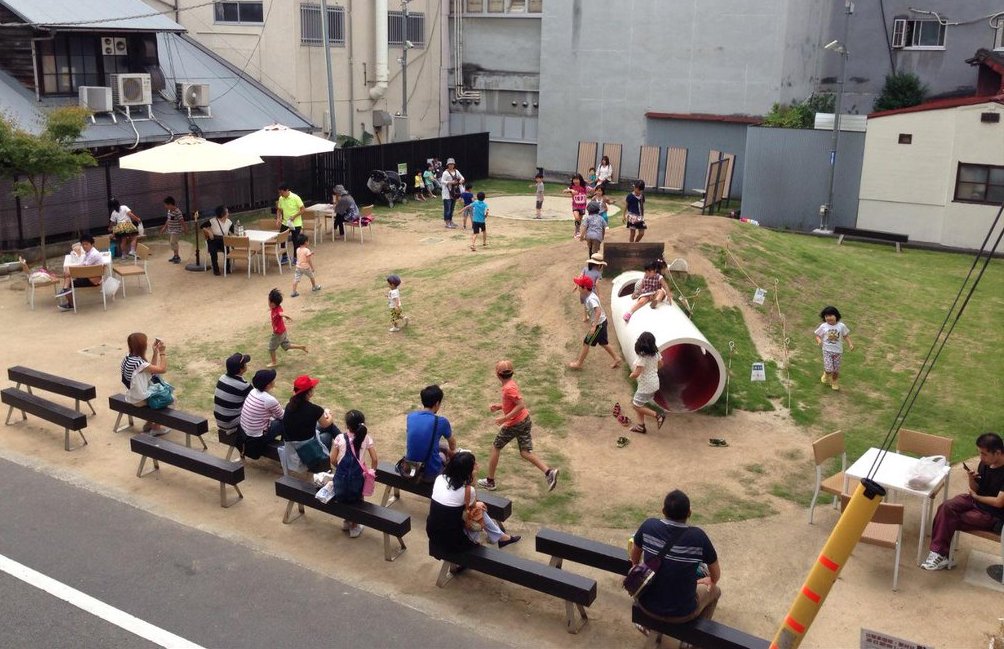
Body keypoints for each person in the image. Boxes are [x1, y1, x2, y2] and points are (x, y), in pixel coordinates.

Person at [631, 489, 721, 638]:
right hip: (682, 613)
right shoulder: (698, 537)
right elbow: (716, 575)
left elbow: (634, 559)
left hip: (645, 605)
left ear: (663, 511)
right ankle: (694, 638)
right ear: (689, 513)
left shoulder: (648, 526)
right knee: (715, 590)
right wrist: (710, 580)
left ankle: (648, 627)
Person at [921, 432, 1004, 571]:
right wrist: (971, 478)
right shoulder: (985, 463)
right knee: (945, 507)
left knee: (952, 518)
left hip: (992, 514)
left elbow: (999, 502)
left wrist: (977, 497)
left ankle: (941, 555)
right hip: (974, 500)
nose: (981, 457)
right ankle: (940, 554)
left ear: (997, 453)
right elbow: (976, 489)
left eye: (984, 454)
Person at [427, 450, 520, 565]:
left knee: (477, 508)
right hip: (453, 541)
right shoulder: (468, 490)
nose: (477, 466)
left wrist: (476, 504)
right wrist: (473, 479)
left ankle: (501, 537)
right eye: (474, 464)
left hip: (433, 532)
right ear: (466, 471)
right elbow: (472, 505)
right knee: (478, 512)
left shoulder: (439, 479)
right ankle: (498, 538)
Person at [478, 360, 559, 492]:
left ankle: (490, 481)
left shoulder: (507, 388)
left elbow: (521, 404)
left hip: (514, 424)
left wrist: (505, 418)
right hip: (525, 420)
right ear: (512, 373)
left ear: (497, 374)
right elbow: (513, 403)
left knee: (495, 447)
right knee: (525, 452)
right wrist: (499, 407)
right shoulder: (511, 385)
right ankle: (549, 472)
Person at [330, 410, 378, 537]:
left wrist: (339, 467)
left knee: (344, 496)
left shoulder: (340, 438)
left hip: (341, 478)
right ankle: (354, 526)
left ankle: (346, 521)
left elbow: (332, 459)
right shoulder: (366, 439)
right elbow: (374, 459)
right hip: (358, 477)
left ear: (347, 425)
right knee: (358, 500)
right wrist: (372, 472)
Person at [282, 375, 339, 473]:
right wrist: (329, 414)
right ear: (308, 393)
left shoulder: (289, 406)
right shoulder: (314, 409)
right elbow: (326, 424)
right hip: (307, 450)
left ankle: (345, 444)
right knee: (328, 433)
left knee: (326, 428)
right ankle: (325, 465)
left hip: (291, 446)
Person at [568, 275, 622, 370]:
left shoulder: (591, 299)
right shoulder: (588, 294)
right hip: (602, 322)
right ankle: (616, 358)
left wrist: (594, 326)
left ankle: (579, 363)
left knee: (586, 342)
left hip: (599, 325)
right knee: (603, 343)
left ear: (584, 288)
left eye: (579, 286)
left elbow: (598, 311)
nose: (578, 288)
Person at [405, 384, 456, 483]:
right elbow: (453, 445)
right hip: (430, 473)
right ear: (437, 403)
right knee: (445, 454)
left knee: (442, 447)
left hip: (411, 468)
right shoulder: (441, 421)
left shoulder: (411, 416)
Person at [120, 332, 169, 435]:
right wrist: (162, 352)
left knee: (157, 392)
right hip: (138, 399)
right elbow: (162, 369)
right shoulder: (138, 363)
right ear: (142, 346)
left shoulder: (128, 358)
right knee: (169, 399)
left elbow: (151, 370)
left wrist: (155, 352)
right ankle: (156, 428)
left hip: (132, 395)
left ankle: (149, 423)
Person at [238, 369, 284, 460]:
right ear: (268, 385)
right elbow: (282, 416)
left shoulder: (252, 392)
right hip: (257, 437)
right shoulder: (269, 400)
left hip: (245, 432)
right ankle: (285, 451)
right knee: (285, 422)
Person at [628, 332, 667, 434]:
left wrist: (631, 375)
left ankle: (658, 416)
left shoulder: (642, 358)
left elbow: (636, 373)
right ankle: (641, 426)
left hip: (646, 386)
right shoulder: (656, 354)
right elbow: (661, 364)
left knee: (635, 405)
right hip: (654, 383)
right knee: (639, 405)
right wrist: (652, 370)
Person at [55, 234, 104, 311]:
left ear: (92, 244)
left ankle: (70, 302)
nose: (84, 246)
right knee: (67, 275)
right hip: (89, 276)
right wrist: (70, 271)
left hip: (93, 280)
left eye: (86, 244)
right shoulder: (89, 252)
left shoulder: (94, 254)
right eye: (83, 244)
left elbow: (83, 267)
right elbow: (82, 265)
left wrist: (70, 271)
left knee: (68, 283)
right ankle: (65, 290)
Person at [814, 305, 854, 391]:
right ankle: (826, 374)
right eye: (826, 316)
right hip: (827, 351)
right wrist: (819, 341)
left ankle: (834, 382)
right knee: (829, 369)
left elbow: (846, 336)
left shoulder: (841, 326)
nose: (828, 318)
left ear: (836, 316)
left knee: (836, 370)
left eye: (831, 315)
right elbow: (817, 335)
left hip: (838, 352)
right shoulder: (823, 326)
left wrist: (850, 344)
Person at [214, 352, 253, 437]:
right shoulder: (244, 386)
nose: (246, 364)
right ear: (241, 369)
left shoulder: (222, 378)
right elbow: (254, 403)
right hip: (231, 423)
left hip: (220, 421)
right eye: (245, 363)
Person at [267, 288, 308, 367]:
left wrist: (286, 316)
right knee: (286, 346)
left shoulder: (278, 311)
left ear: (273, 303)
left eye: (269, 301)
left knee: (271, 348)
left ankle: (274, 362)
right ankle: (301, 347)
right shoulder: (276, 307)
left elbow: (281, 313)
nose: (268, 302)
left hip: (278, 334)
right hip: (283, 331)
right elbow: (279, 311)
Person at [276, 183, 305, 262]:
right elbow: (279, 209)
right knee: (281, 239)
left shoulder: (295, 197)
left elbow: (303, 209)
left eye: (282, 192)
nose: (280, 194)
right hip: (285, 222)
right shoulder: (281, 198)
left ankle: (296, 258)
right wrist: (278, 218)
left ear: (287, 190)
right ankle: (284, 257)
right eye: (279, 193)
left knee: (296, 241)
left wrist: (294, 216)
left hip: (296, 223)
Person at [202, 205, 233, 276]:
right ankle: (216, 270)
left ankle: (227, 268)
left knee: (227, 251)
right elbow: (202, 226)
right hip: (213, 240)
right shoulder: (212, 221)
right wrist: (209, 231)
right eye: (227, 212)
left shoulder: (229, 222)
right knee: (213, 251)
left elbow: (234, 231)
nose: (228, 213)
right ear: (223, 214)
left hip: (223, 240)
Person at [159, 196, 187, 264]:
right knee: (173, 243)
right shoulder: (169, 211)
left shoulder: (177, 211)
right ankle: (175, 256)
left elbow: (181, 221)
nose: (165, 206)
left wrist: (185, 228)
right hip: (171, 230)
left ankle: (177, 257)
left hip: (176, 230)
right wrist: (164, 228)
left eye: (166, 205)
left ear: (170, 204)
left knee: (173, 242)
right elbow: (168, 220)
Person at [440, 158, 465, 228]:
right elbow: (442, 181)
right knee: (447, 208)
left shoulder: (456, 171)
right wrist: (450, 182)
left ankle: (451, 220)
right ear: (447, 165)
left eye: (452, 164)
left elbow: (462, 178)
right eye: (450, 164)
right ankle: (447, 222)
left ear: (454, 165)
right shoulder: (445, 173)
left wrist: (460, 181)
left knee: (452, 208)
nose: (451, 165)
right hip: (447, 193)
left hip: (454, 192)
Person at [562, 174, 588, 238]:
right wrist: (570, 190)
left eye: (577, 179)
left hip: (582, 206)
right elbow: (564, 191)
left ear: (580, 180)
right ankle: (577, 231)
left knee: (579, 220)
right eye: (574, 179)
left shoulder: (584, 187)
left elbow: (591, 190)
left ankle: (577, 231)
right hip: (575, 206)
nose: (575, 181)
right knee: (577, 218)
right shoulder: (572, 187)